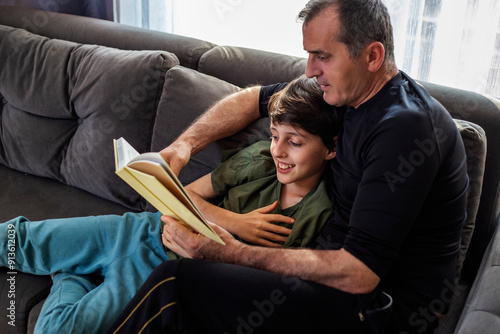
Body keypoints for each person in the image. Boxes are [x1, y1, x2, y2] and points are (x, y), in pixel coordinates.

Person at [108, 0, 468, 333]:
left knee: (175, 284)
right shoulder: (343, 92)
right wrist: (183, 146)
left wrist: (227, 252)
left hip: (379, 309)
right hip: (329, 273)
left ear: (372, 56)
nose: (310, 70)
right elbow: (254, 100)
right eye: (309, 55)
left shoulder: (404, 128)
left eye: (322, 56)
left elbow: (360, 274)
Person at [0, 75, 341, 334]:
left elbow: (262, 286)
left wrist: (228, 244)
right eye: (273, 136)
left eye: (294, 142)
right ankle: (75, 262)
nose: (278, 150)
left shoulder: (317, 216)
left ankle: (70, 271)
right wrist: (235, 223)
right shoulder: (260, 161)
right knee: (16, 240)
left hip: (157, 273)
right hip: (141, 229)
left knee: (56, 329)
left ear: (330, 148)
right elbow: (184, 193)